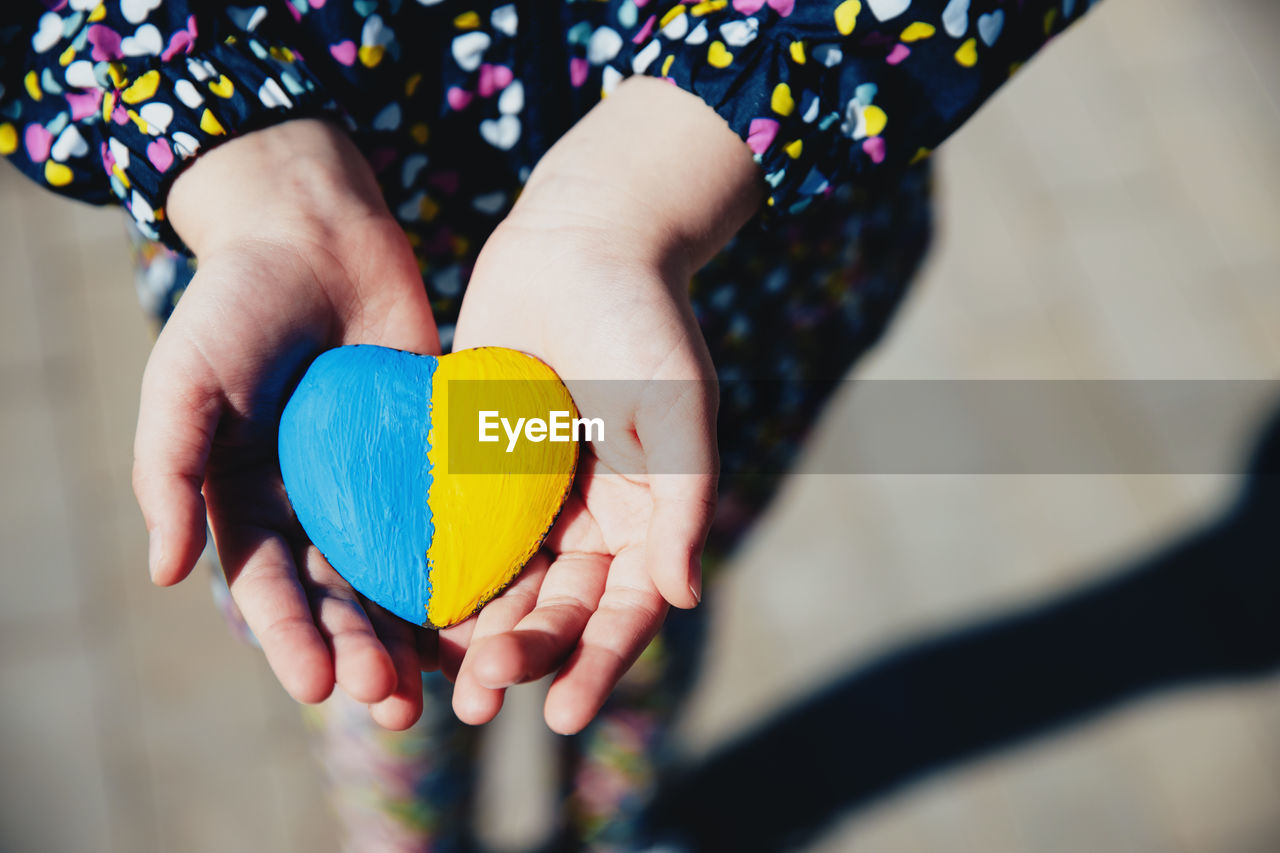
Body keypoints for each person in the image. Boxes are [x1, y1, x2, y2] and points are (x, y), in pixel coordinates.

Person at [1, 1, 1098, 848]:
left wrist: (659, 170)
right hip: (289, 336)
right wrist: (242, 165)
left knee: (649, 588)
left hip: (723, 276)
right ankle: (413, 831)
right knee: (375, 675)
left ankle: (615, 824)